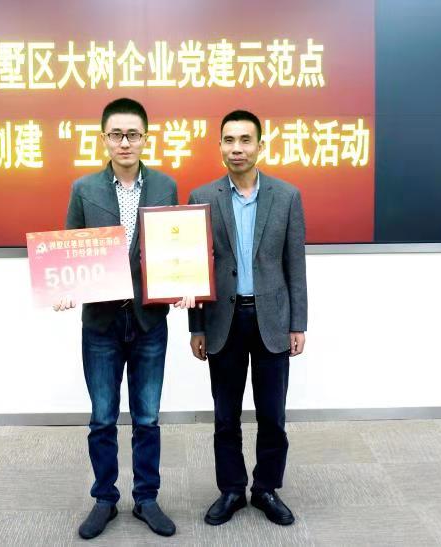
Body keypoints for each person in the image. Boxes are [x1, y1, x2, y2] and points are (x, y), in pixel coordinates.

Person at [56, 98, 178, 539]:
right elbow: (70, 247)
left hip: (149, 320)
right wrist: (64, 286)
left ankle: (146, 498)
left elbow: (176, 249)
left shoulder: (165, 186)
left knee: (147, 418)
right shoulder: (84, 188)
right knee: (103, 418)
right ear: (104, 138)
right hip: (101, 324)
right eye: (116, 134)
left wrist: (185, 283)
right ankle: (104, 499)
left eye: (133, 134)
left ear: (145, 138)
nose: (125, 142)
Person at [183, 109, 307, 526]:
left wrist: (298, 324)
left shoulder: (287, 196)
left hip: (272, 319)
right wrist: (196, 326)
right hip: (223, 320)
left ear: (260, 145)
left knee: (272, 415)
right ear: (219, 145)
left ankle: (266, 488)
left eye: (245, 140)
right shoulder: (201, 197)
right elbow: (193, 268)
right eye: (229, 140)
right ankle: (232, 489)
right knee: (225, 416)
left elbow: (295, 266)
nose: (237, 148)